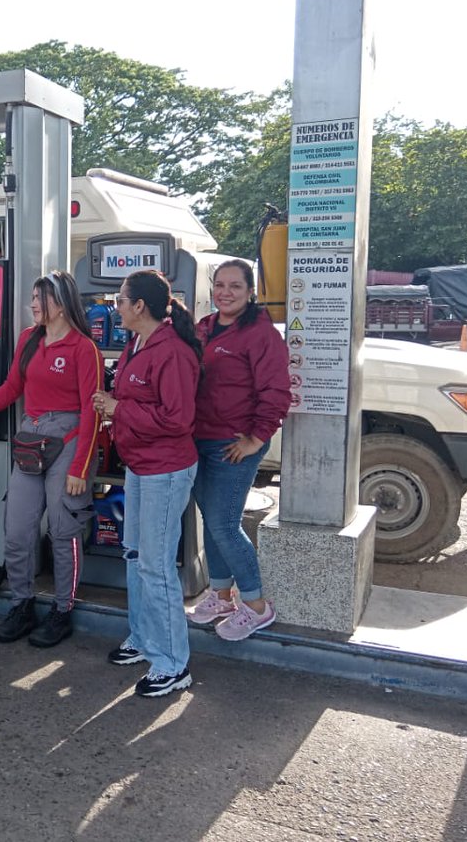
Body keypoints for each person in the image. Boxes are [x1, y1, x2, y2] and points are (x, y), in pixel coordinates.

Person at [0, 270, 102, 647]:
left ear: (61, 303)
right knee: (17, 530)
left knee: (63, 529)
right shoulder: (28, 339)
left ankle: (62, 610)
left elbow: (92, 412)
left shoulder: (83, 348)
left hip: (68, 440)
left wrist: (80, 467)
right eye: (34, 298)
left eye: (40, 298)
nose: (34, 304)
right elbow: (12, 387)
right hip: (31, 437)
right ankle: (22, 604)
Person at [92, 271, 202, 698]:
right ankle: (143, 638)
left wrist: (118, 409)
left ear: (139, 306)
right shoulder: (139, 344)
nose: (115, 307)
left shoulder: (170, 352)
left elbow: (177, 420)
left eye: (120, 300)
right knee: (136, 554)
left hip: (165, 470)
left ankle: (173, 663)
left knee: (155, 566)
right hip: (141, 466)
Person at [189, 260, 291, 641]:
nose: (225, 292)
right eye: (219, 285)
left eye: (235, 286)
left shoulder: (261, 336)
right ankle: (221, 595)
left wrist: (255, 438)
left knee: (224, 525)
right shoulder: (204, 328)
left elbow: (277, 392)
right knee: (210, 523)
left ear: (251, 292)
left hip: (233, 445)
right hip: (197, 439)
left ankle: (257, 606)